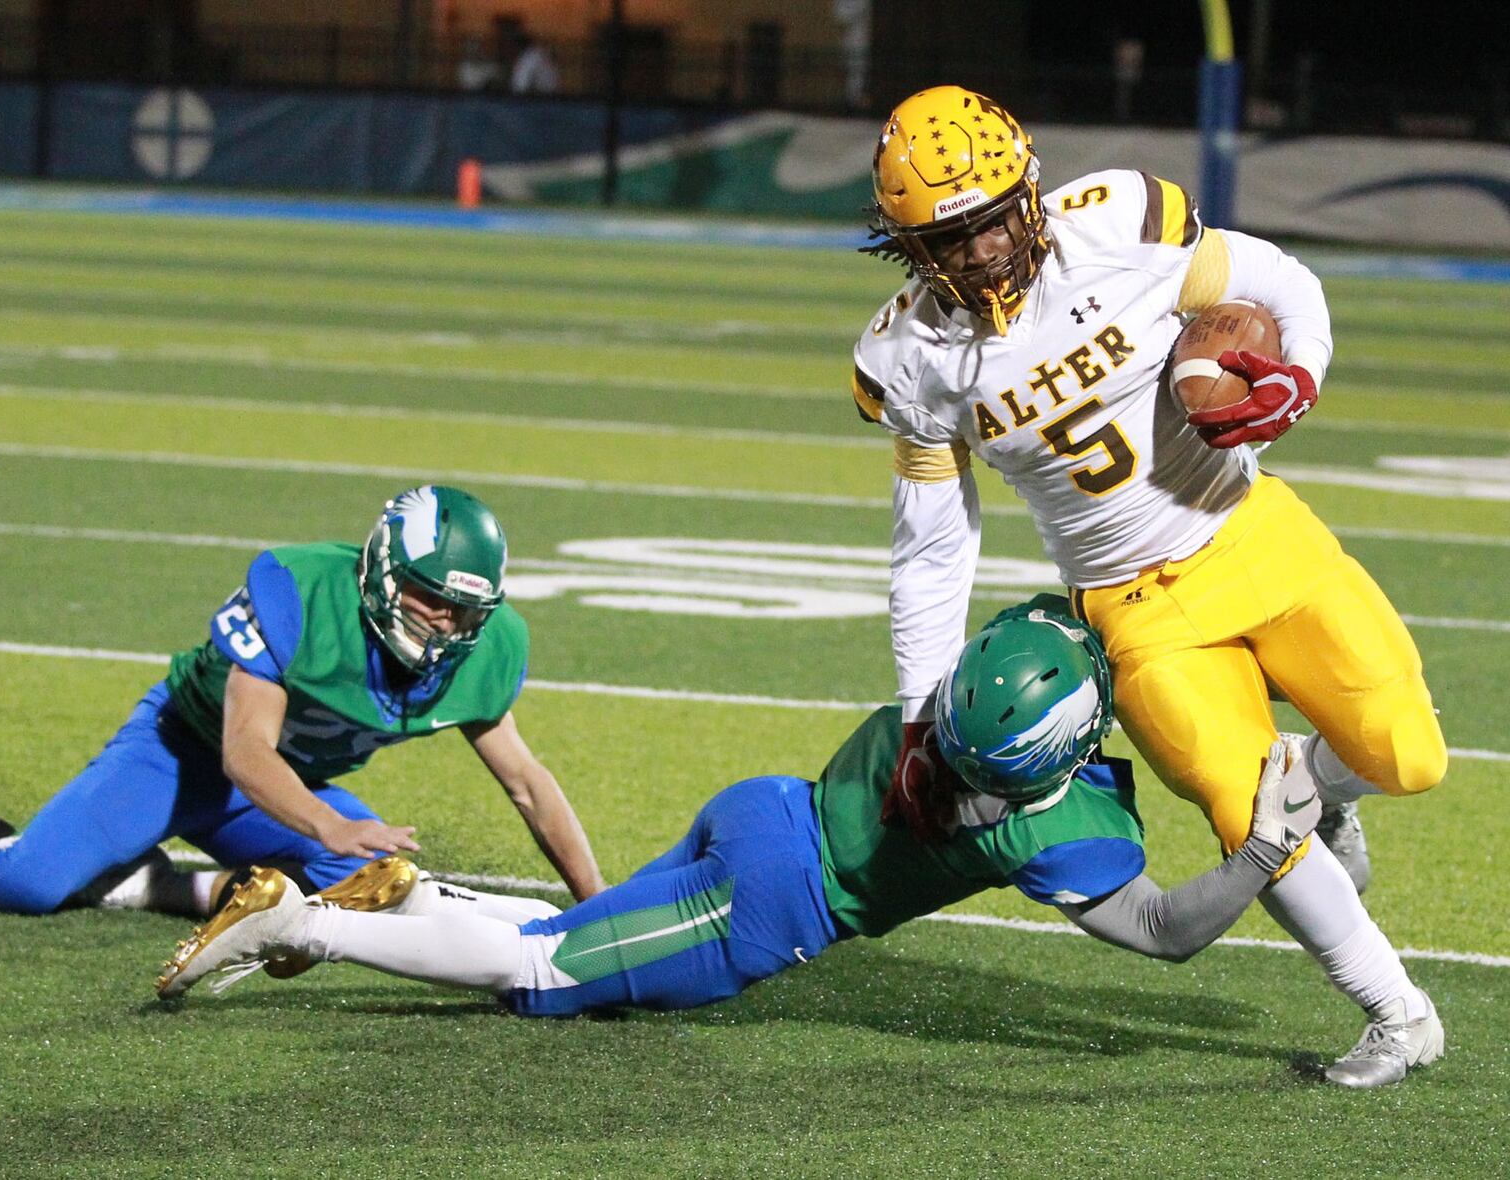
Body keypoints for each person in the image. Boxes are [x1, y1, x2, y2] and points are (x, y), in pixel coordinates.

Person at [153, 601, 1401, 1085]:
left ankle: (407, 897)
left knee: (546, 944)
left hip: (764, 805)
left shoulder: (963, 690)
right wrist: (1263, 848)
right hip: (771, 907)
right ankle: (299, 919)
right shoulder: (1059, 816)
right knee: (539, 977)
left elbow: (1083, 628)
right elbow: (1167, 933)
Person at [852, 86, 1448, 1084]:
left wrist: (1296, 374)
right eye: (949, 238)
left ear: (1029, 192)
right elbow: (933, 540)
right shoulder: (911, 355)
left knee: (1407, 755)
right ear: (908, 247)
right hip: (1132, 608)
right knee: (1240, 806)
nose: (985, 251)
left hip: (1250, 529)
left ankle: (1322, 788)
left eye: (993, 219)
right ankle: (1398, 1011)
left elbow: (1282, 281)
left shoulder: (1121, 222)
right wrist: (922, 710)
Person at [0, 485, 605, 928]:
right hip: (181, 753)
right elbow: (244, 751)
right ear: (382, 573)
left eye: (465, 610)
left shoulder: (489, 649)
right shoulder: (300, 592)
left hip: (278, 787)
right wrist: (328, 822)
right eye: (432, 599)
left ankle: (155, 888)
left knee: (381, 887)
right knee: (29, 883)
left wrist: (598, 905)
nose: (447, 625)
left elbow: (527, 784)